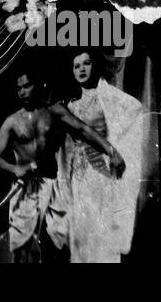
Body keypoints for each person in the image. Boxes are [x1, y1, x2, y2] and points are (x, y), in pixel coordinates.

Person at [0, 68, 125, 263]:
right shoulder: (11, 122)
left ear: (38, 85)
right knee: (22, 252)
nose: (22, 92)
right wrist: (15, 169)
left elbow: (83, 129)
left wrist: (111, 151)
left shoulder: (54, 112)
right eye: (19, 88)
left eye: (27, 86)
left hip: (53, 186)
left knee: (56, 247)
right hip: (25, 189)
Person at [59, 50, 145, 263]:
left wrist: (116, 152)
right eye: (76, 65)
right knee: (80, 243)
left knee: (104, 242)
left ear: (95, 65)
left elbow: (135, 112)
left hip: (104, 180)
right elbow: (65, 152)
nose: (81, 69)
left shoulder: (113, 99)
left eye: (86, 63)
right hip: (79, 182)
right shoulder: (70, 106)